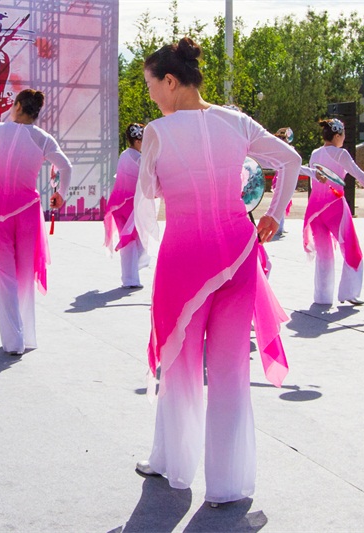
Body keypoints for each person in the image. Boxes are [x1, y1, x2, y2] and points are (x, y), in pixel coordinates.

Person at [132, 38, 300, 505]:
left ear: (170, 81)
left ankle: (173, 462)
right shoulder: (237, 121)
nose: (151, 95)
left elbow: (147, 194)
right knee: (230, 372)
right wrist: (275, 213)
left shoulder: (157, 132)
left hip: (184, 259)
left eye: (150, 85)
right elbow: (290, 159)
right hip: (238, 254)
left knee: (179, 364)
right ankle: (226, 485)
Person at [0, 89, 72, 355]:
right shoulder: (43, 138)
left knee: (6, 276)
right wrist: (61, 194)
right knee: (25, 275)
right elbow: (66, 167)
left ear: (18, 106)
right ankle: (27, 336)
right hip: (28, 210)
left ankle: (13, 341)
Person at [304, 119, 364, 306]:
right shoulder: (341, 154)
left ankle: (322, 297)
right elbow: (360, 176)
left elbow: (313, 181)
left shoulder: (315, 153)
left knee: (324, 254)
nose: (344, 139)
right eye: (343, 135)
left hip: (315, 209)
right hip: (335, 207)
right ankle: (349, 292)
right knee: (351, 249)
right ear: (337, 135)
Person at [103, 123, 150, 288]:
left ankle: (129, 277)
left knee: (128, 240)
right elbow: (146, 180)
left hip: (118, 204)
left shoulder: (124, 155)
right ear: (137, 141)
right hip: (132, 205)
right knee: (135, 240)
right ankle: (131, 278)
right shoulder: (139, 159)